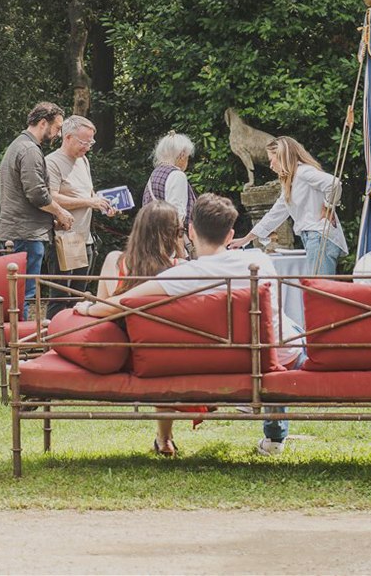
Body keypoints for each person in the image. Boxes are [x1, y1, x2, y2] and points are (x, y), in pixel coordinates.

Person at [82, 193, 300, 455]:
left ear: (191, 231)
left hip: (223, 362)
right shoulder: (260, 261)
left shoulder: (183, 275)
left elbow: (121, 302)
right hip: (277, 357)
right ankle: (275, 438)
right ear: (231, 235)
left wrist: (86, 307)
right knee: (287, 333)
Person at [89, 202, 187, 456]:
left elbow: (103, 311)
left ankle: (164, 439)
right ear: (173, 233)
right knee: (163, 358)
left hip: (123, 355)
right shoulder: (180, 269)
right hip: (162, 357)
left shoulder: (115, 261)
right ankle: (164, 439)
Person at [230, 136, 347, 275]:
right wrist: (245, 239)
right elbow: (273, 216)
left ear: (282, 156)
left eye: (271, 160)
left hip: (319, 236)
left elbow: (333, 183)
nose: (271, 166)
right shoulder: (290, 183)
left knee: (320, 291)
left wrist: (328, 207)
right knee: (318, 290)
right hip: (314, 237)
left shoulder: (303, 172)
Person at [0, 101, 72, 314]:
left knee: (15, 292)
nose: (57, 134)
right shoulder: (29, 150)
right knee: (23, 293)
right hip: (26, 233)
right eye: (57, 128)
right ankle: (19, 343)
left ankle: (13, 341)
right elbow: (37, 194)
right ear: (42, 123)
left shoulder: (18, 146)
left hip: (18, 230)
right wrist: (60, 212)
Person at [46, 115, 115, 296]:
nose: (87, 147)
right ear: (67, 137)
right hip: (63, 238)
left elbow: (89, 193)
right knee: (60, 297)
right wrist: (89, 202)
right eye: (83, 142)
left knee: (80, 296)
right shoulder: (51, 162)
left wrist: (103, 204)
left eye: (90, 143)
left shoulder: (84, 160)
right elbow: (50, 197)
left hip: (86, 239)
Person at [144, 132, 196, 223]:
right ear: (182, 155)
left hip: (153, 233)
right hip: (171, 235)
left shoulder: (156, 173)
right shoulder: (177, 175)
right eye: (188, 157)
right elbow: (177, 215)